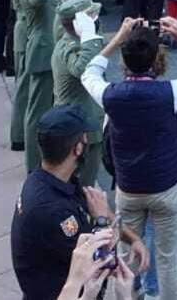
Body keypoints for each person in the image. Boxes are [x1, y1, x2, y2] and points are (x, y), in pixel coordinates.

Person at [80, 17, 177, 300]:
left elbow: (89, 72)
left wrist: (117, 38)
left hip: (129, 188)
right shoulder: (170, 93)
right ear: (157, 58)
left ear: (124, 60)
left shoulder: (110, 95)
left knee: (125, 259)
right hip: (165, 186)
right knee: (167, 261)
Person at [10, 105, 146, 300]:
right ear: (78, 148)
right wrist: (100, 220)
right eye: (85, 137)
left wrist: (133, 239)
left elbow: (98, 207)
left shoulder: (51, 179)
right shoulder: (52, 210)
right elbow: (96, 260)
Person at [15, 0, 60, 172]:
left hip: (49, 48)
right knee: (37, 110)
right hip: (42, 50)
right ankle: (33, 164)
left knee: (47, 107)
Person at [51, 0, 107, 187]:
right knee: (83, 182)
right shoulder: (73, 47)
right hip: (79, 125)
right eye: (90, 16)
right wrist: (90, 37)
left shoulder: (76, 42)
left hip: (81, 120)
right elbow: (83, 69)